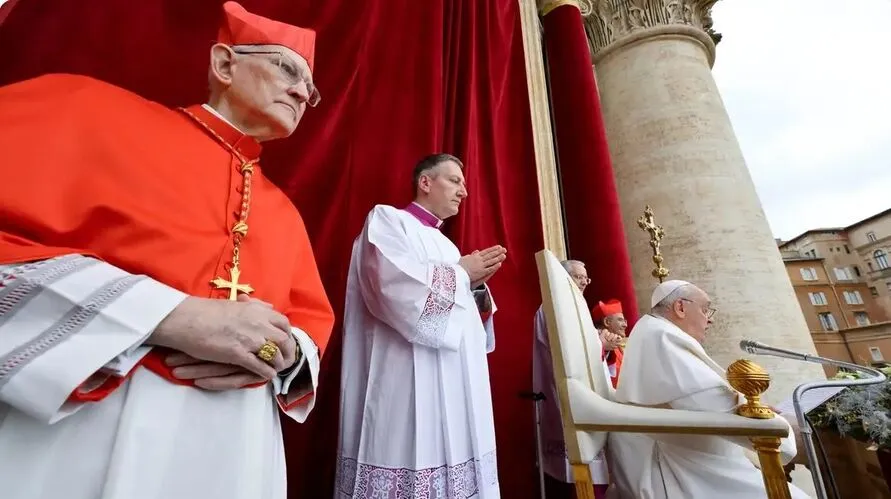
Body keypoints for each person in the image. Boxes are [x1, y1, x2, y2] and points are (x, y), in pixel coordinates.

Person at [0, 3, 334, 498]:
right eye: (288, 68)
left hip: (240, 446)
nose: (301, 92)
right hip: (92, 425)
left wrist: (281, 353)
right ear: (224, 64)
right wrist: (165, 317)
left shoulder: (284, 211)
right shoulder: (88, 112)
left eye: (311, 86)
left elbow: (307, 323)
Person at [336, 153, 507, 498]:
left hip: (453, 381)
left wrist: (473, 287)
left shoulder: (445, 243)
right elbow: (393, 287)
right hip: (403, 377)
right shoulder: (387, 221)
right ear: (425, 182)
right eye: (455, 181)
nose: (464, 192)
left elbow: (464, 317)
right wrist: (462, 275)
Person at [608, 280, 809, 499]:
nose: (710, 318)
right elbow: (712, 405)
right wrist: (775, 427)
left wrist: (750, 407)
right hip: (681, 469)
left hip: (695, 456)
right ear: (681, 308)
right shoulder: (663, 337)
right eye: (705, 309)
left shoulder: (655, 331)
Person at [532, 260, 610, 499]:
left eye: (586, 277)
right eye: (578, 277)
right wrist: (601, 344)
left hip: (581, 395)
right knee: (579, 473)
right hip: (568, 395)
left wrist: (602, 347)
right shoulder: (557, 306)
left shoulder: (573, 306)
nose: (585, 282)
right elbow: (570, 354)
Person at [592, 299, 627, 388]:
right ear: (607, 322)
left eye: (625, 321)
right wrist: (605, 349)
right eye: (620, 320)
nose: (625, 325)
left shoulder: (617, 343)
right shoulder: (596, 340)